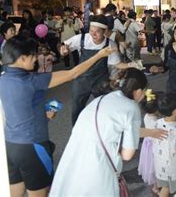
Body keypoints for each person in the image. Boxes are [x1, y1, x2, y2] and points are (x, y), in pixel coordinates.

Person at [0, 35, 112, 197]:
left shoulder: (2, 77)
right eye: (33, 55)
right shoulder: (32, 81)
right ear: (22, 58)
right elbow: (73, 73)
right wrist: (99, 55)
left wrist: (42, 114)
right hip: (33, 147)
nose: (36, 58)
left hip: (10, 145)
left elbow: (19, 105)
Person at [49, 68, 146, 196]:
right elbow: (127, 155)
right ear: (138, 91)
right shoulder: (131, 107)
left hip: (73, 159)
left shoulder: (101, 99)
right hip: (98, 167)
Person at [60, 15, 133, 125]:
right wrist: (63, 52)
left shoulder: (110, 44)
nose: (93, 34)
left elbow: (117, 64)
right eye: (91, 30)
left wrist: (132, 64)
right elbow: (64, 47)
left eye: (97, 31)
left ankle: (104, 129)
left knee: (104, 106)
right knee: (76, 108)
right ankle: (76, 130)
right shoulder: (82, 38)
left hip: (100, 81)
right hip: (81, 80)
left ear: (105, 31)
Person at [152, 93, 176, 197]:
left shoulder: (157, 123)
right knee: (167, 187)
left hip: (159, 162)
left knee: (165, 185)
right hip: (172, 166)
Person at [138, 90, 163, 195]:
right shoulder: (156, 123)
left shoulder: (147, 116)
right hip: (155, 147)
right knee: (157, 169)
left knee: (154, 169)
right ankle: (156, 188)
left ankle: (156, 186)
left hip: (148, 145)